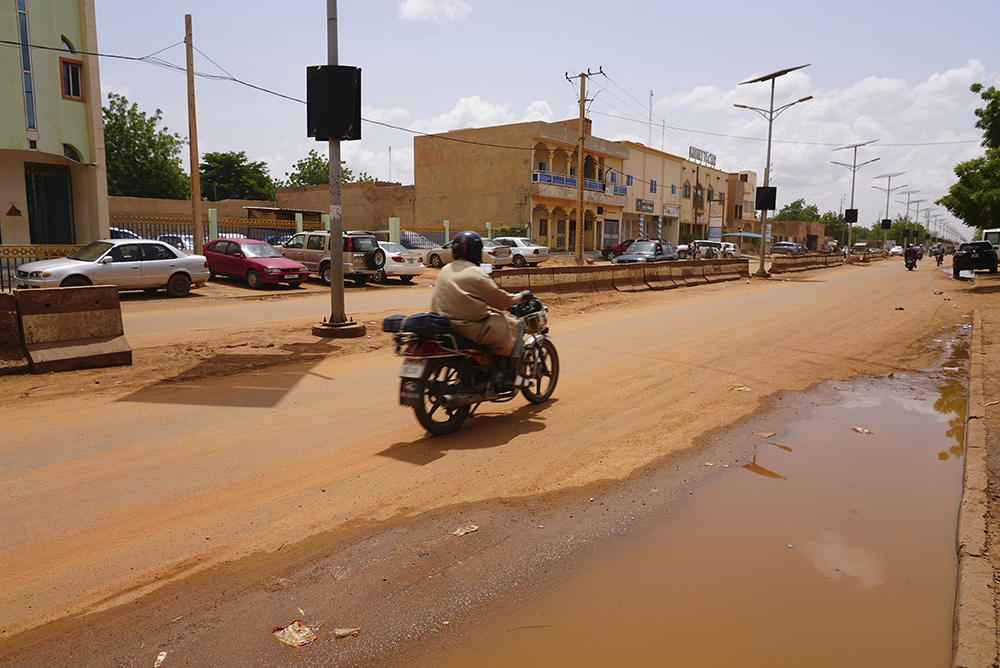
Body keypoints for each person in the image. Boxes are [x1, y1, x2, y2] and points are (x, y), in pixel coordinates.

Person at [431, 231, 530, 387]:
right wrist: (521, 296)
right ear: (477, 252)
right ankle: (510, 375)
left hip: (443, 324)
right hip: (468, 327)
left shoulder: (445, 269)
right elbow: (502, 302)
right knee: (516, 326)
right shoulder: (477, 274)